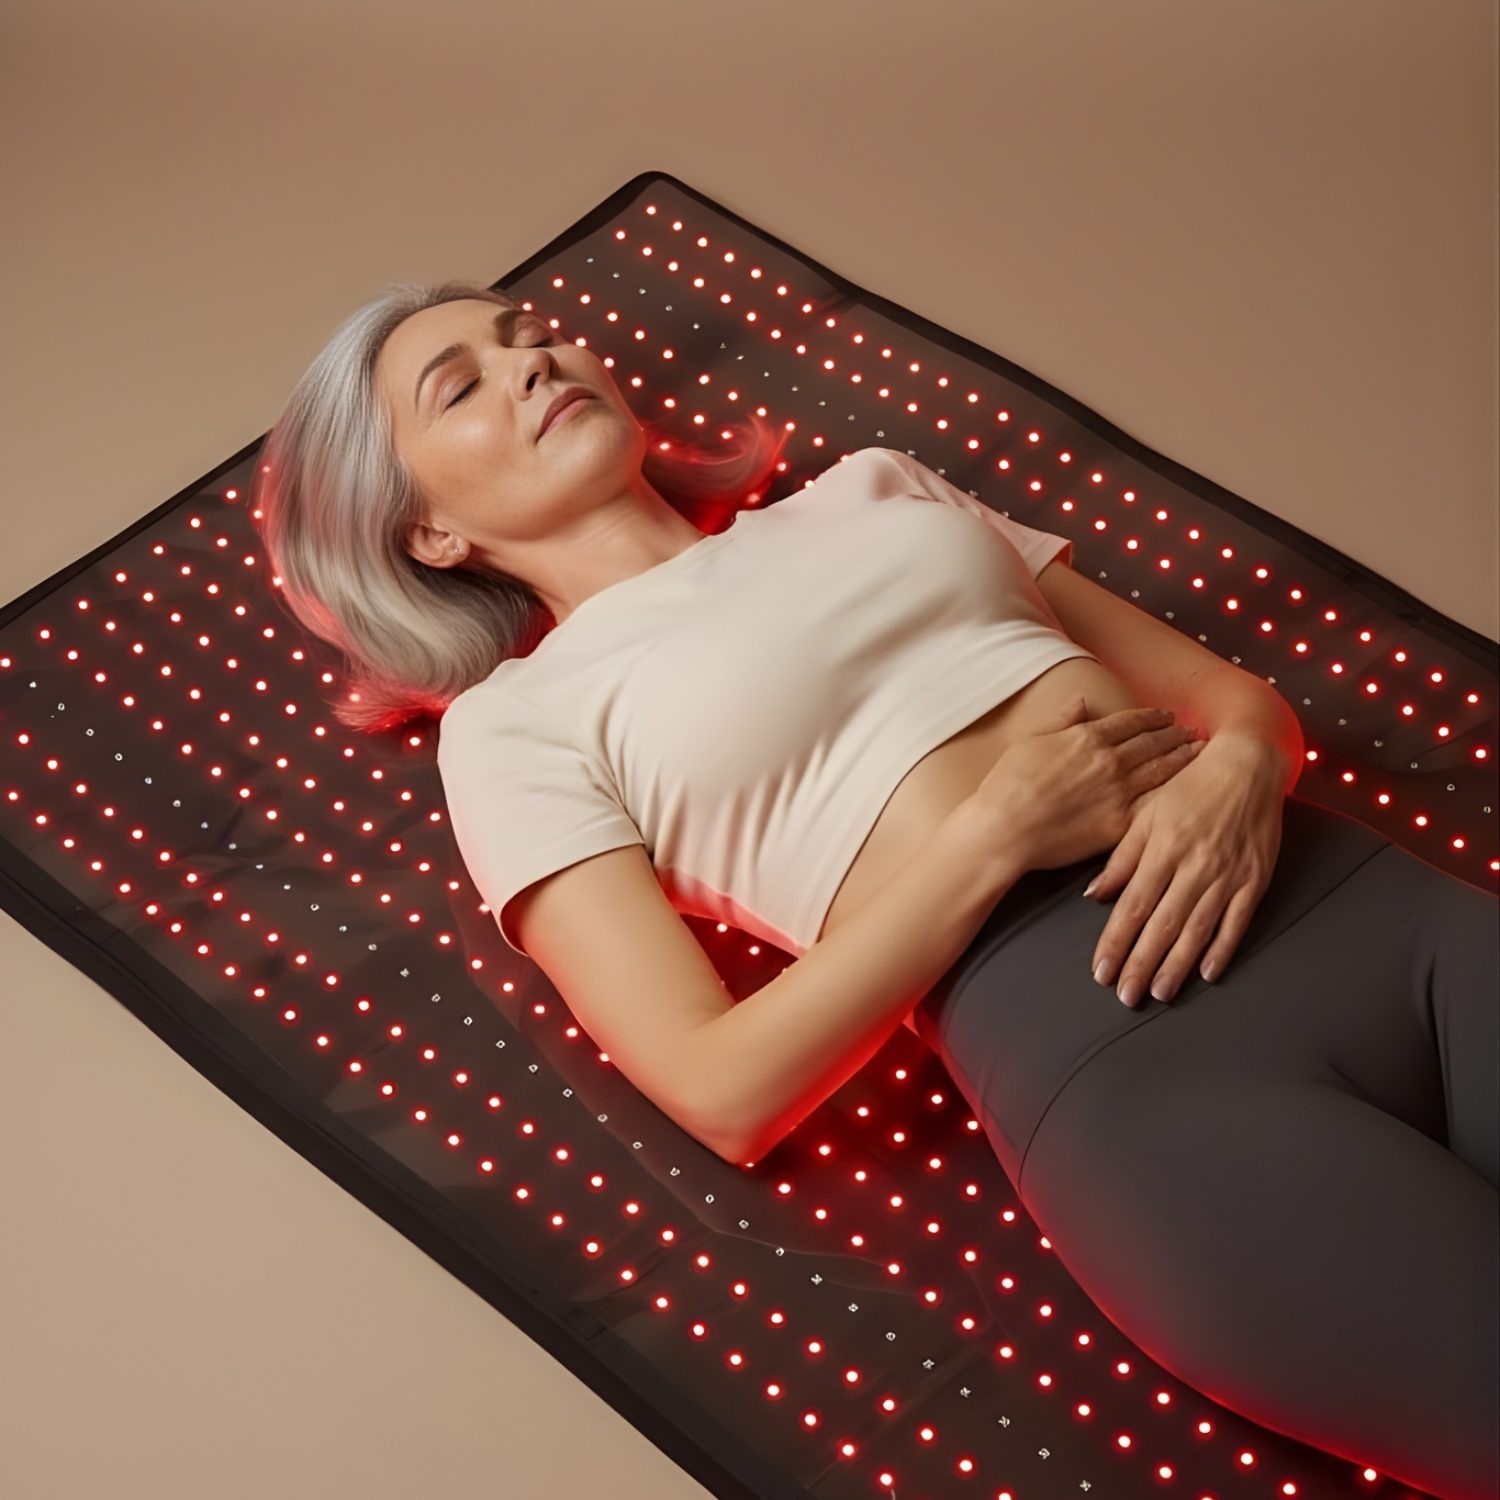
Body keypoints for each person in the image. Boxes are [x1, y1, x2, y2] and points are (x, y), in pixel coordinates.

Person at [253, 280, 1498, 1500]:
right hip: (1132, 1073)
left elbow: (1231, 703)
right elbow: (722, 1091)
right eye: (461, 386)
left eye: (531, 332)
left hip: (1372, 907)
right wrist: (995, 834)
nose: (533, 360)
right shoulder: (512, 727)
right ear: (430, 534)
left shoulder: (875, 485)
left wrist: (1240, 769)